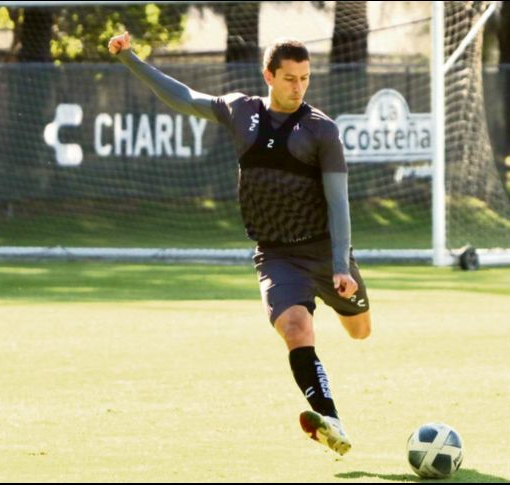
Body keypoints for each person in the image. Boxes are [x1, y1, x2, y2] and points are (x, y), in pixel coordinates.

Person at [108, 32, 372, 456]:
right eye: (289, 78)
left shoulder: (322, 130)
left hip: (324, 251)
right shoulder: (241, 110)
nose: (298, 87)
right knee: (296, 329)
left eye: (305, 78)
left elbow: (338, 203)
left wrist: (341, 264)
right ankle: (331, 421)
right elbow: (185, 97)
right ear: (268, 75)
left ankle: (343, 305)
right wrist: (131, 60)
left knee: (360, 331)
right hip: (276, 254)